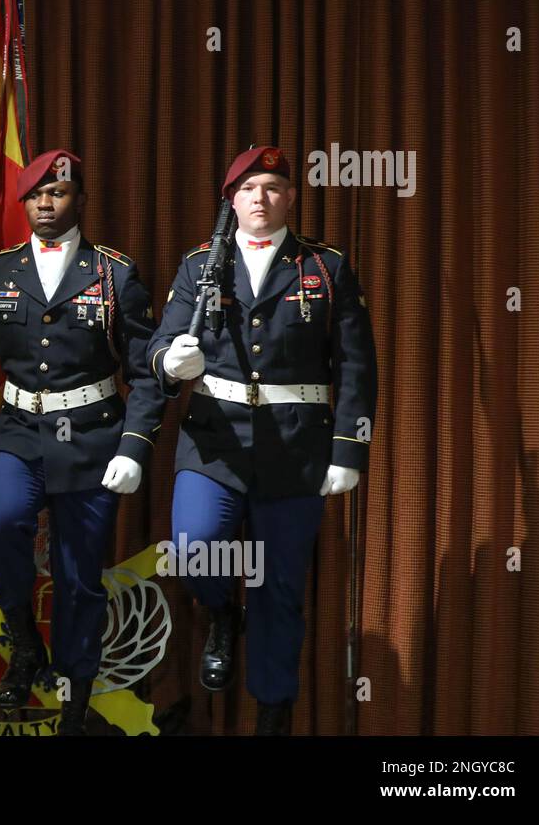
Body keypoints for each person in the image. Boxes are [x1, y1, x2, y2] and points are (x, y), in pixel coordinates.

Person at [148, 145, 377, 734]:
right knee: (194, 547)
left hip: (297, 447)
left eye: (272, 187)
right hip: (215, 443)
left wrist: (349, 449)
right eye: (248, 188)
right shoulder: (201, 265)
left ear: (290, 198)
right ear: (232, 200)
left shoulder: (326, 267)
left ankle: (273, 712)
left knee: (279, 588)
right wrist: (170, 361)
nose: (260, 197)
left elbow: (356, 366)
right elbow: (160, 343)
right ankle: (222, 612)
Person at [0, 149, 166, 735]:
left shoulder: (115, 273)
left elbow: (145, 371)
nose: (46, 203)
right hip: (16, 429)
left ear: (79, 200)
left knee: (78, 571)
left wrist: (134, 445)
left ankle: (77, 683)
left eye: (58, 193)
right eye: (36, 195)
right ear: (24, 203)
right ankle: (23, 643)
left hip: (92, 434)